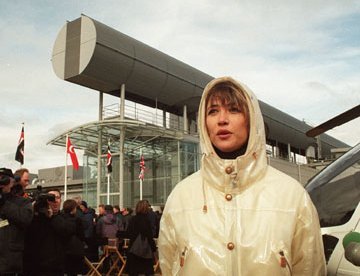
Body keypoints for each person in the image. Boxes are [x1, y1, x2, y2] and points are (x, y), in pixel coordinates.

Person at [158, 77, 326, 275]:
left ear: (252, 119)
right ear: (204, 123)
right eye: (212, 111)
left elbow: (310, 268)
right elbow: (168, 265)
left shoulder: (293, 196)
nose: (222, 119)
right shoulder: (181, 197)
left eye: (234, 109)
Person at [23, 188, 76, 275]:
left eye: (57, 197)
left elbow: (67, 231)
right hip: (35, 266)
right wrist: (32, 211)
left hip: (56, 267)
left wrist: (52, 217)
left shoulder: (66, 217)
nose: (55, 200)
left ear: (61, 200)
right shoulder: (37, 218)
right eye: (51, 198)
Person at [0, 167, 33, 274]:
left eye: (4, 179)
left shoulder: (22, 202)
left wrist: (3, 203)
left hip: (9, 262)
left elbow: (25, 219)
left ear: (12, 182)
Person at [126, 200, 157, 276]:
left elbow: (128, 233)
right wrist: (154, 249)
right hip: (146, 251)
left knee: (133, 272)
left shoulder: (133, 219)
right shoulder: (147, 220)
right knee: (148, 272)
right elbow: (149, 236)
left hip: (134, 249)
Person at [62, 199, 86, 276]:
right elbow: (81, 235)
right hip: (76, 249)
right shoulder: (77, 220)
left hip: (63, 249)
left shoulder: (60, 219)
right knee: (75, 272)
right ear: (73, 209)